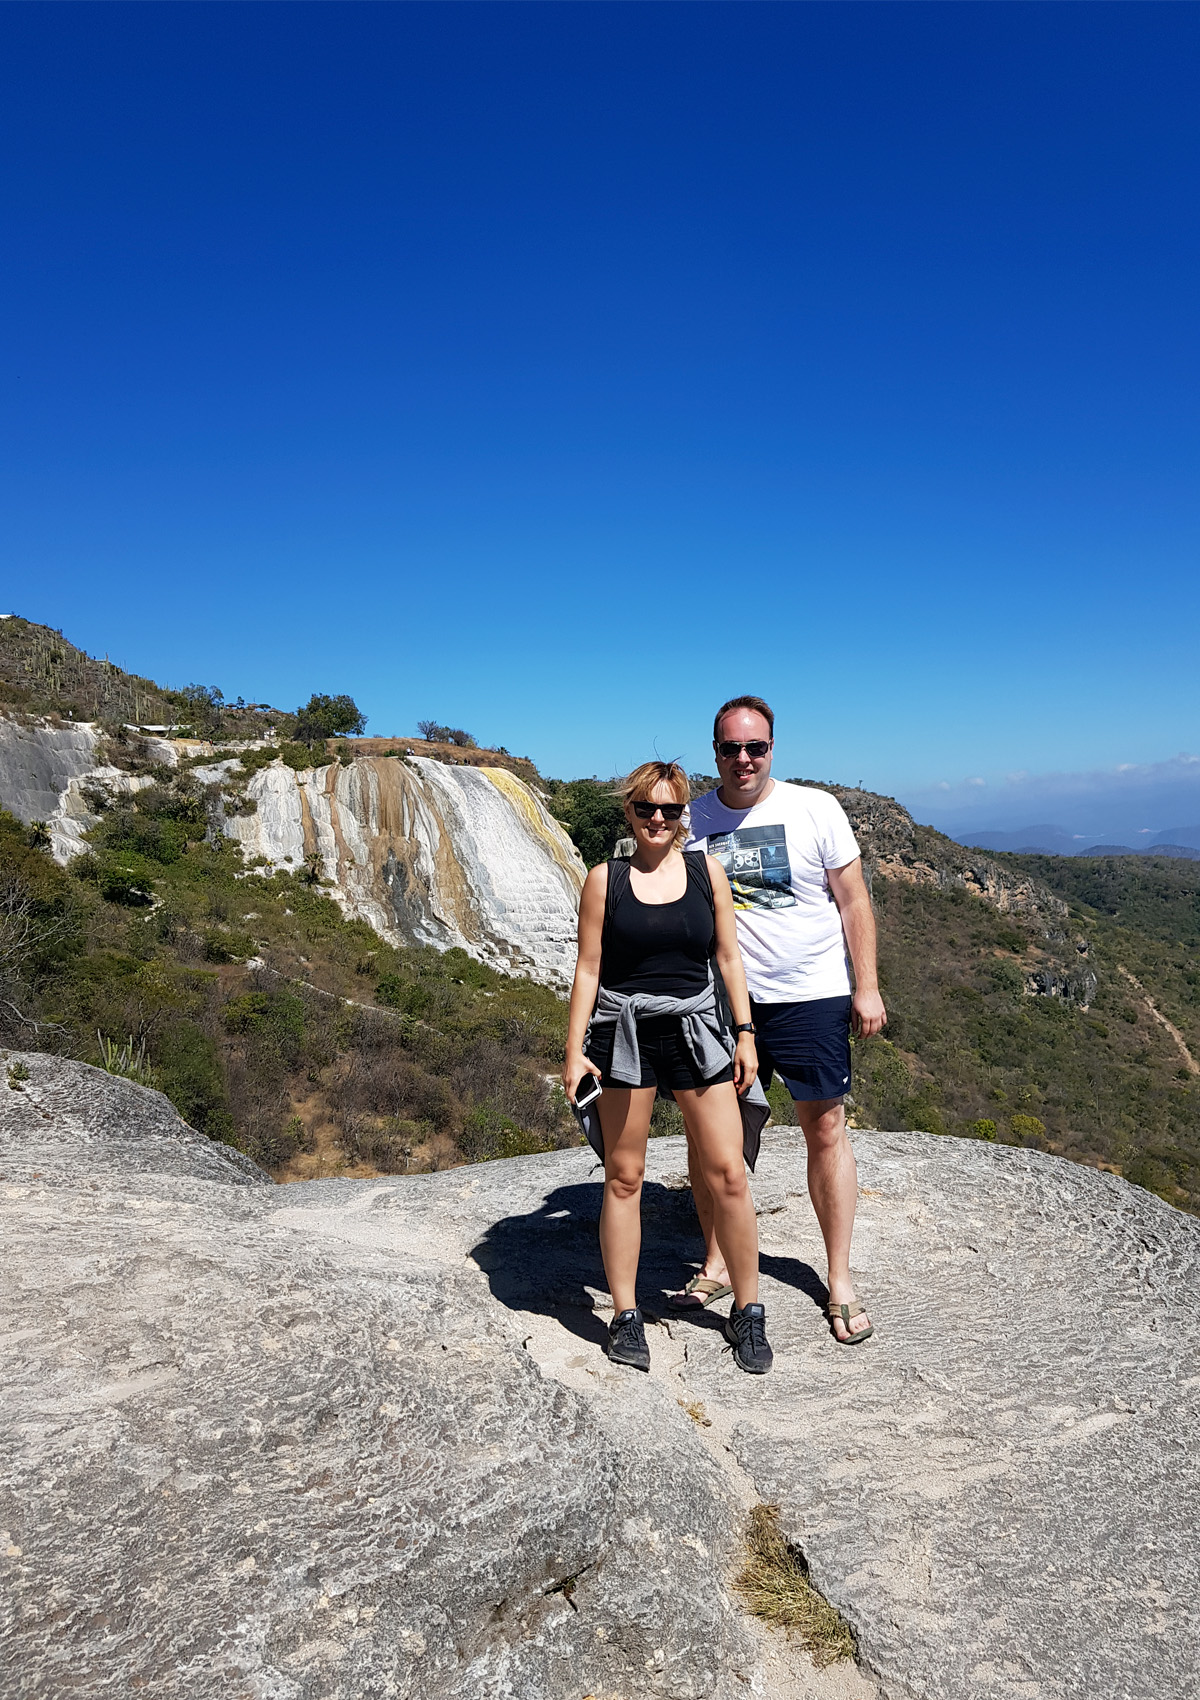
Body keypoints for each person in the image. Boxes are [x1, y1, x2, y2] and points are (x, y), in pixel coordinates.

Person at [678, 696, 886, 1344]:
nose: (743, 759)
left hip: (811, 995)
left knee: (825, 1131)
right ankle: (716, 1259)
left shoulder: (814, 809)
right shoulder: (692, 820)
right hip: (721, 1002)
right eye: (730, 748)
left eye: (756, 747)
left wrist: (868, 987)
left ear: (773, 749)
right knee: (721, 1135)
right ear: (714, 751)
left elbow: (853, 901)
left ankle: (840, 1279)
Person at [562, 759, 773, 1375]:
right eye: (646, 809)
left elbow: (729, 959)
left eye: (671, 809)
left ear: (685, 816)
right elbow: (588, 969)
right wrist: (573, 1050)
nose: (658, 819)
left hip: (698, 1030)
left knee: (728, 1173)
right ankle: (626, 1315)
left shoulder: (709, 874)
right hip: (624, 1035)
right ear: (628, 812)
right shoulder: (605, 880)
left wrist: (745, 1033)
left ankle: (748, 1309)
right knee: (624, 1177)